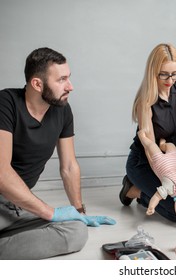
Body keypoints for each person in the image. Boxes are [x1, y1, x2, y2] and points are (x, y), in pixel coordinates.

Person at [0, 47, 116, 260]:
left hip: (16, 206)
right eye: (61, 80)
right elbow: (2, 174)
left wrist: (79, 212)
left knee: (76, 231)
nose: (70, 87)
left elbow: (69, 166)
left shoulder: (62, 110)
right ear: (37, 84)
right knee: (56, 219)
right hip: (5, 198)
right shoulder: (5, 103)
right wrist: (51, 213)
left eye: (68, 78)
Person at [119, 43, 176, 222]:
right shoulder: (145, 102)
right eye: (164, 74)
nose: (170, 80)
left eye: (175, 73)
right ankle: (133, 189)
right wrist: (172, 184)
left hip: (169, 161)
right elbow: (151, 150)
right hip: (147, 161)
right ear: (153, 71)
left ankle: (143, 188)